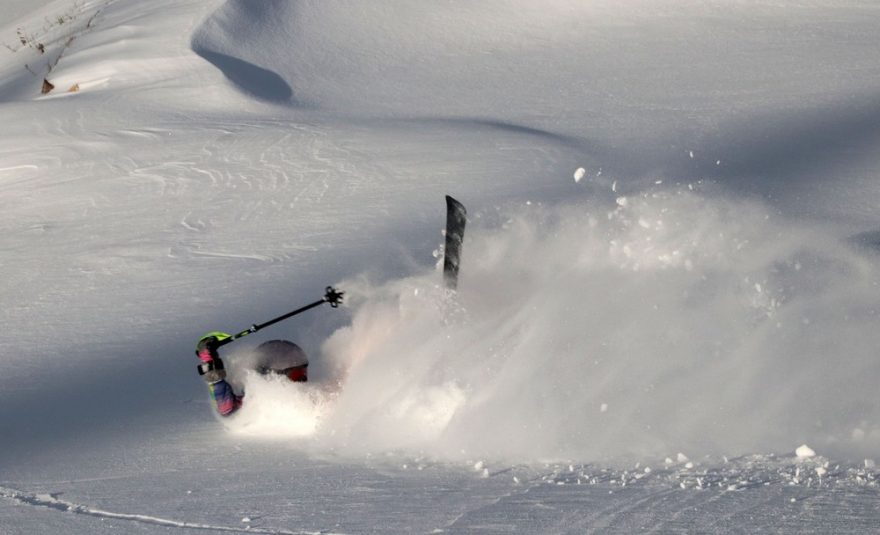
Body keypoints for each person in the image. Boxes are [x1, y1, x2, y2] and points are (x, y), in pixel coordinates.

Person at [196, 333, 309, 416]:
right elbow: (226, 408)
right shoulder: (254, 401)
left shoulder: (310, 396)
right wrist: (208, 359)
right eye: (295, 376)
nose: (301, 380)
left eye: (301, 374)